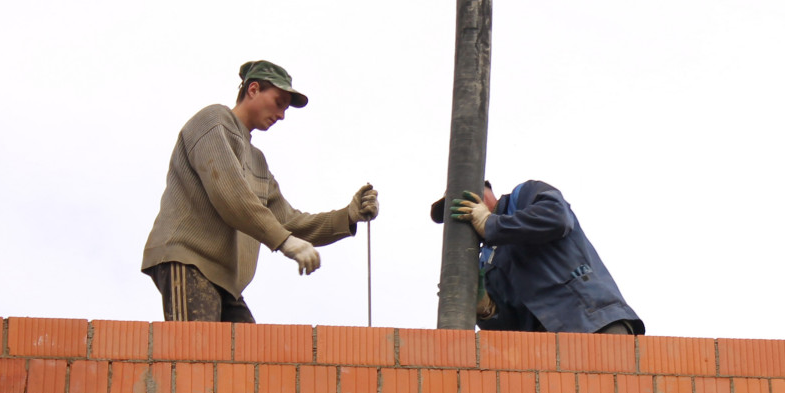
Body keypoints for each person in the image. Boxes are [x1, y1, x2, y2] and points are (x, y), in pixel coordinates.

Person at [141, 60, 379, 322]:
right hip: (189, 262)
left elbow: (289, 223)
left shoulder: (258, 163)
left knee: (250, 359)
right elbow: (229, 195)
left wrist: (348, 216)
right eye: (279, 102)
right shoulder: (213, 120)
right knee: (195, 358)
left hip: (228, 284)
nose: (282, 115)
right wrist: (285, 242)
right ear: (253, 89)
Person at [434, 180, 643, 335]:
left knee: (611, 390)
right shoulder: (487, 262)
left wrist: (491, 224)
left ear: (482, 192)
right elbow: (511, 329)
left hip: (594, 321)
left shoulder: (523, 197)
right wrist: (485, 309)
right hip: (546, 351)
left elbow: (557, 218)